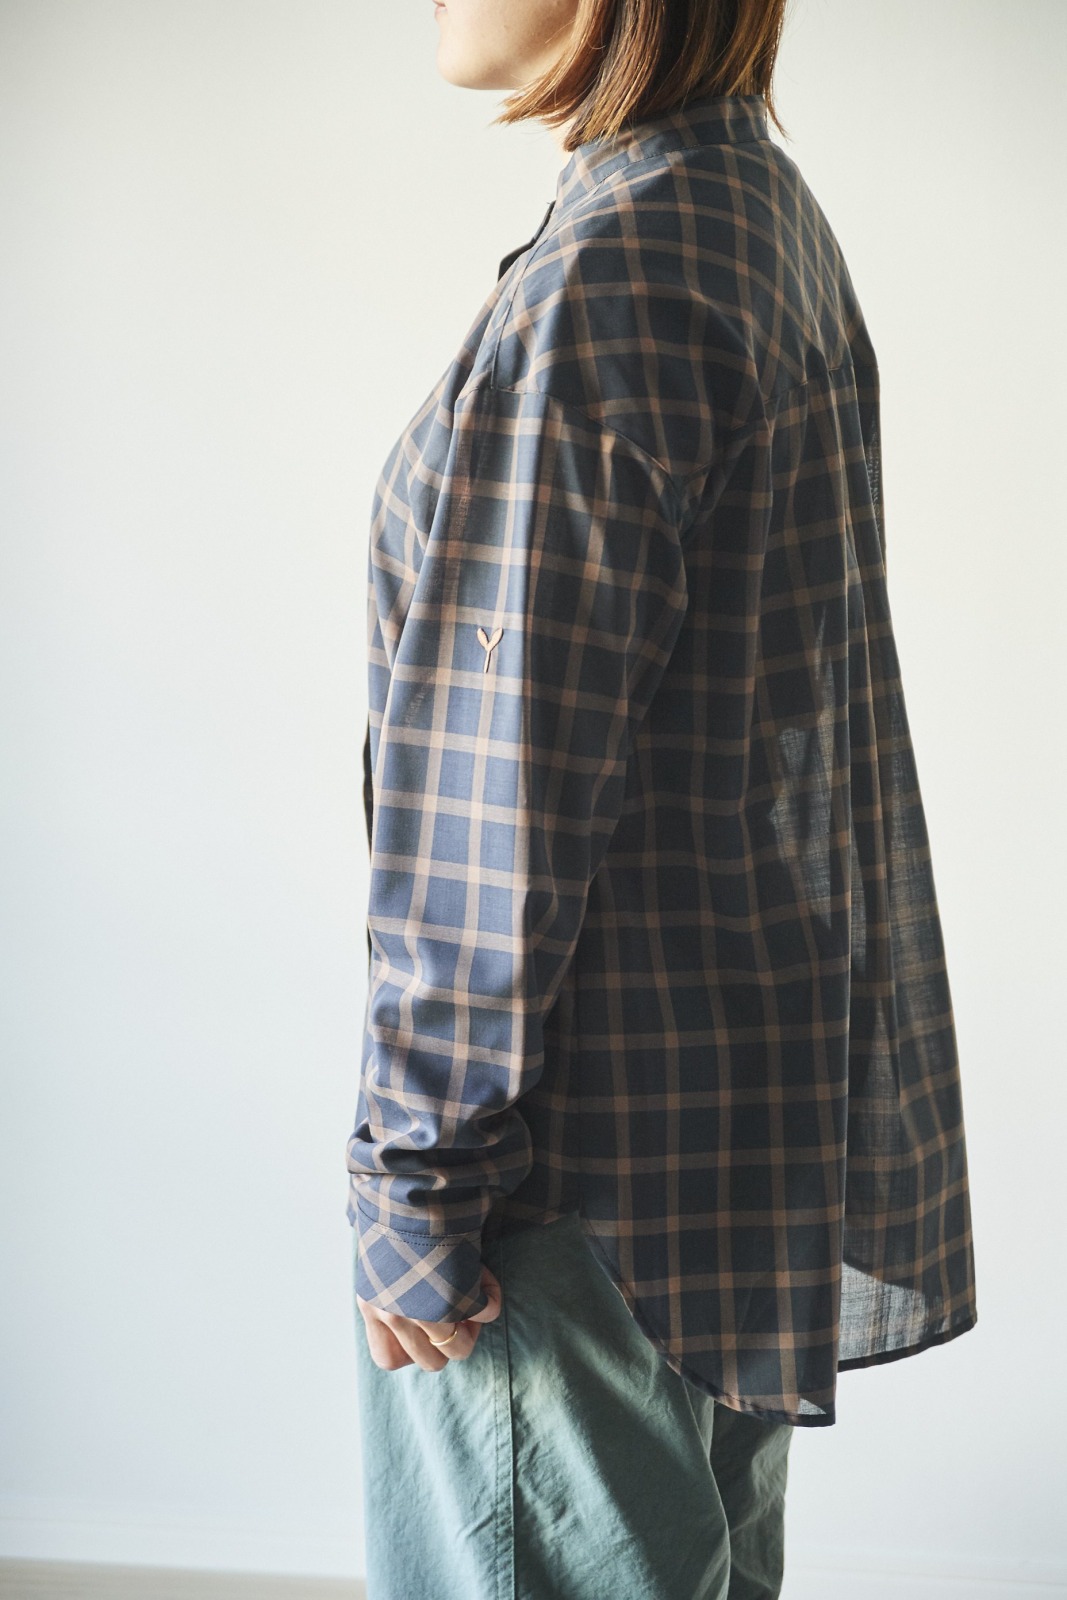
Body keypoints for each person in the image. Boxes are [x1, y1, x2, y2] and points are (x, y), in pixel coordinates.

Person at [344, 1, 979, 1595]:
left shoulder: (611, 279)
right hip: (729, 1146)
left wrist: (417, 1176)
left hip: (573, 1182)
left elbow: (499, 793)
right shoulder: (751, 212)